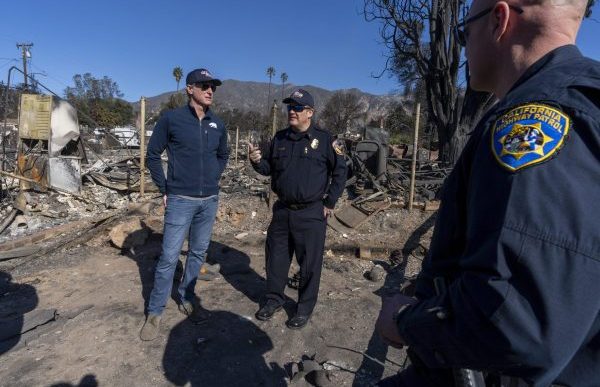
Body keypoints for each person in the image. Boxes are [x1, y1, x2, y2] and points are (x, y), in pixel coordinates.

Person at [376, 0, 600, 386]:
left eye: (464, 32)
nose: (463, 46)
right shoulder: (585, 100)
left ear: (499, 19)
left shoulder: (535, 119)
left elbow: (515, 319)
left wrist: (404, 323)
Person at [140, 68, 229, 341]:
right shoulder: (172, 120)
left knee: (198, 253)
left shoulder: (218, 124)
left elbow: (223, 154)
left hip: (209, 200)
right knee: (169, 257)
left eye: (212, 86)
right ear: (190, 89)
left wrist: (214, 176)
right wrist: (165, 187)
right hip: (180, 200)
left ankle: (187, 297)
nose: (210, 90)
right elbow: (152, 155)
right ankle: (155, 311)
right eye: (204, 85)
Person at [249, 89, 346, 329]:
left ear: (310, 113)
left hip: (311, 213)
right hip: (282, 211)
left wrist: (330, 202)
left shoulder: (325, 140)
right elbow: (267, 169)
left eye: (298, 107)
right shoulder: (279, 139)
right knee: (276, 259)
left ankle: (303, 308)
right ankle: (273, 300)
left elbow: (341, 171)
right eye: (290, 107)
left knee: (310, 264)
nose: (292, 111)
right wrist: (255, 161)